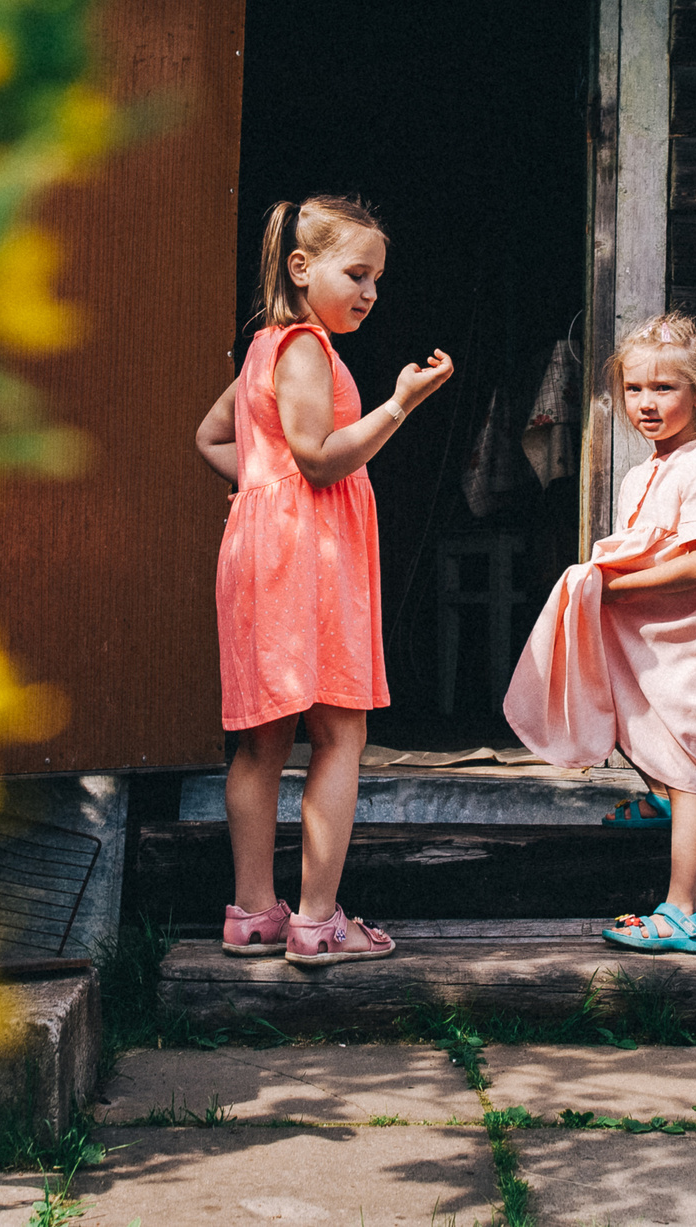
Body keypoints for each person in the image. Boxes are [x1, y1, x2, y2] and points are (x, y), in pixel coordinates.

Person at [195, 195, 454, 966]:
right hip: (309, 554)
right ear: (302, 268)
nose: (371, 292)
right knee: (341, 730)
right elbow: (318, 455)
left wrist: (260, 484)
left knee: (260, 740)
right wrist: (400, 405)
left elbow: (211, 435)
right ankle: (316, 923)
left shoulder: (262, 347)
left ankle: (254, 914)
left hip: (262, 547)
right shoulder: (306, 345)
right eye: (358, 272)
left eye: (378, 278)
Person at [502, 311, 696, 954]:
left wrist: (604, 589)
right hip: (647, 641)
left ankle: (682, 914)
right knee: (621, 711)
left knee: (688, 773)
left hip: (688, 648)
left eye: (665, 389)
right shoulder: (644, 473)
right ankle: (658, 800)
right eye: (634, 389)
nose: (647, 403)